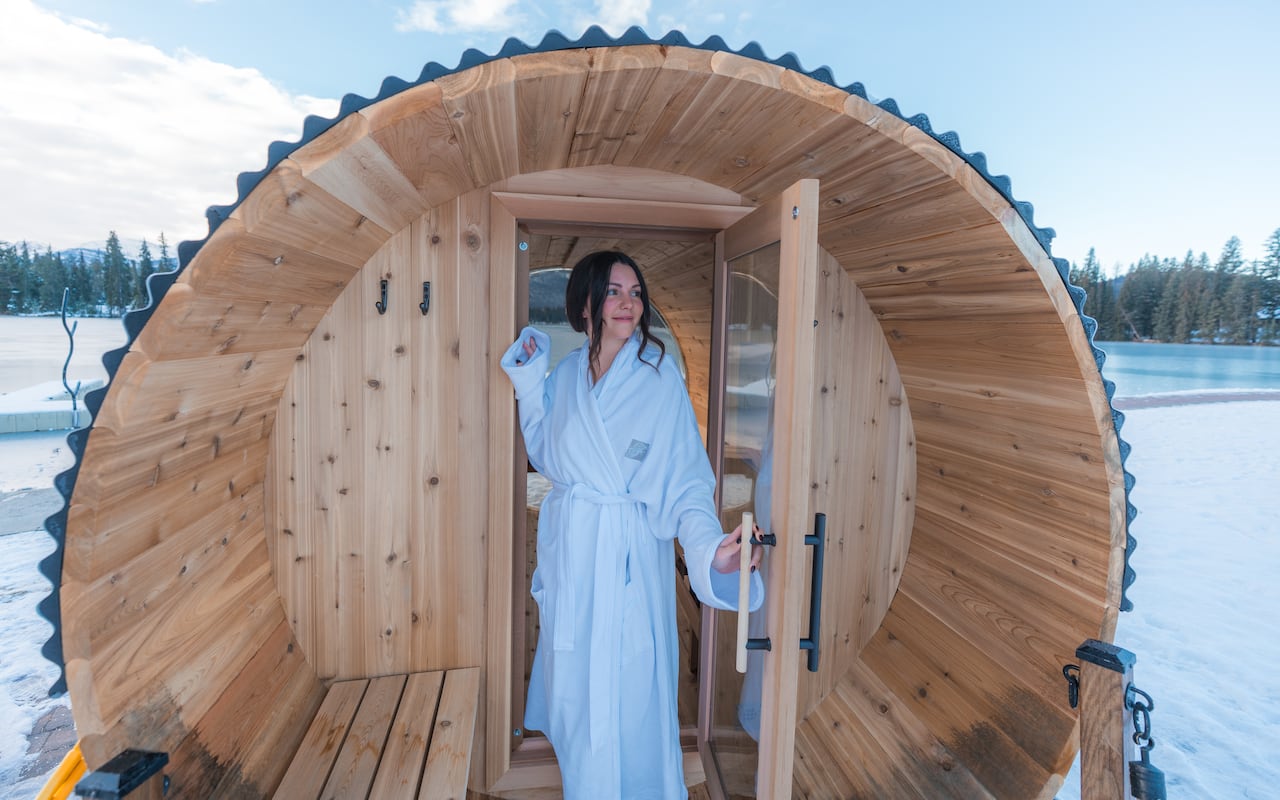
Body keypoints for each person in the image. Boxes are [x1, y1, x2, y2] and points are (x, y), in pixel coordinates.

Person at [501, 251, 764, 799]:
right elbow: (546, 452)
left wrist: (711, 548)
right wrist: (529, 381)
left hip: (626, 553)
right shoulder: (569, 373)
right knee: (575, 686)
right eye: (615, 291)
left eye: (636, 292)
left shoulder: (658, 376)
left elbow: (686, 481)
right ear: (587, 304)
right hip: (573, 550)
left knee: (628, 691)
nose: (629, 303)